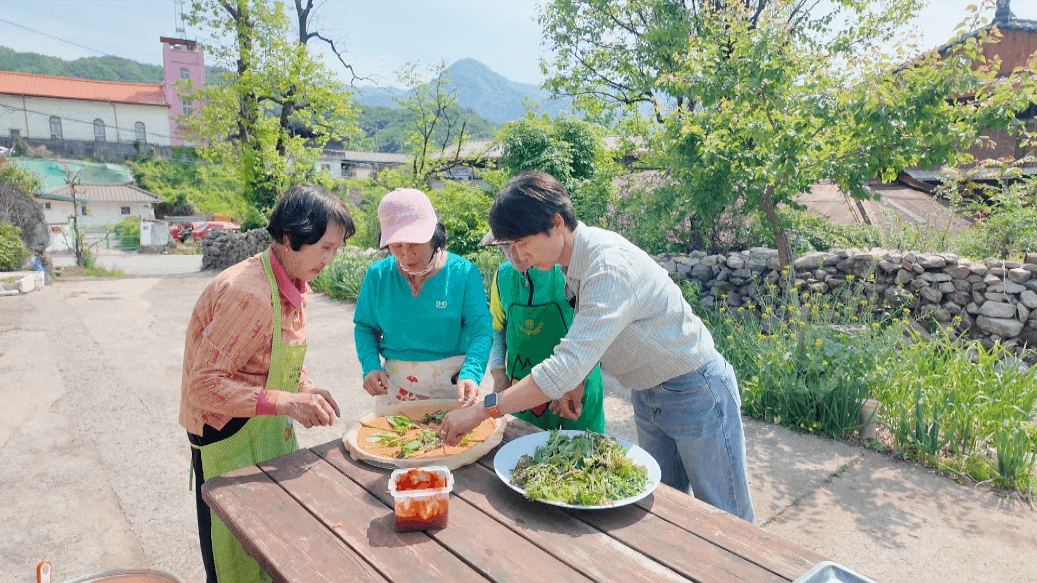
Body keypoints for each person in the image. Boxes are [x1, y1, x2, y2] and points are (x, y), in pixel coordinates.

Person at [442, 171, 755, 523]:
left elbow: (563, 366)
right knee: (668, 511)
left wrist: (482, 411)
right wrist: (577, 382)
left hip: (696, 391)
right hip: (648, 393)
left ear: (555, 223)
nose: (517, 256)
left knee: (728, 519)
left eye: (520, 242)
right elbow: (589, 332)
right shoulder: (572, 262)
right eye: (508, 247)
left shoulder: (607, 267)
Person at [179, 183, 355, 583]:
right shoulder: (249, 293)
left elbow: (274, 357)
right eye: (326, 247)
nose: (332, 258)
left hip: (266, 430)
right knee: (234, 559)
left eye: (336, 248)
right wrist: (287, 402)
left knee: (271, 546)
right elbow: (203, 386)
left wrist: (305, 389)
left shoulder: (289, 282)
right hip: (228, 438)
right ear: (291, 238)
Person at [353, 188, 492, 409]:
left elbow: (481, 331)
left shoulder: (464, 273)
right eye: (396, 246)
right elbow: (364, 327)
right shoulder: (377, 275)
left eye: (415, 243)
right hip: (396, 388)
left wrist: (472, 372)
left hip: (453, 386)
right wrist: (370, 366)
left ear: (434, 235)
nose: (407, 255)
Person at [482, 230, 605, 432]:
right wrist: (498, 372)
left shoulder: (566, 274)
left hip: (573, 390)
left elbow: (595, 336)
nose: (513, 253)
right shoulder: (501, 277)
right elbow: (497, 330)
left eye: (518, 243)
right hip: (521, 392)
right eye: (505, 246)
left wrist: (577, 381)